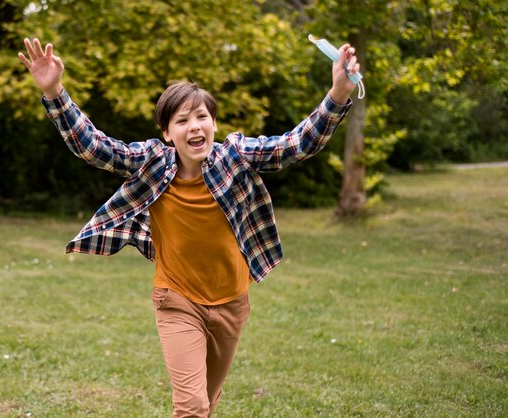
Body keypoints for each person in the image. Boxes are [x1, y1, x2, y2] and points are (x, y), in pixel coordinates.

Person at [19, 36, 359, 417]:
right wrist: (54, 92)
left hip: (232, 303)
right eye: (182, 120)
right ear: (168, 133)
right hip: (177, 301)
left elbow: (297, 144)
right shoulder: (152, 163)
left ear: (214, 124)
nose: (194, 126)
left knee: (207, 405)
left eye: (202, 117)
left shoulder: (235, 157)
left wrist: (338, 92)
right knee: (192, 408)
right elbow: (95, 147)